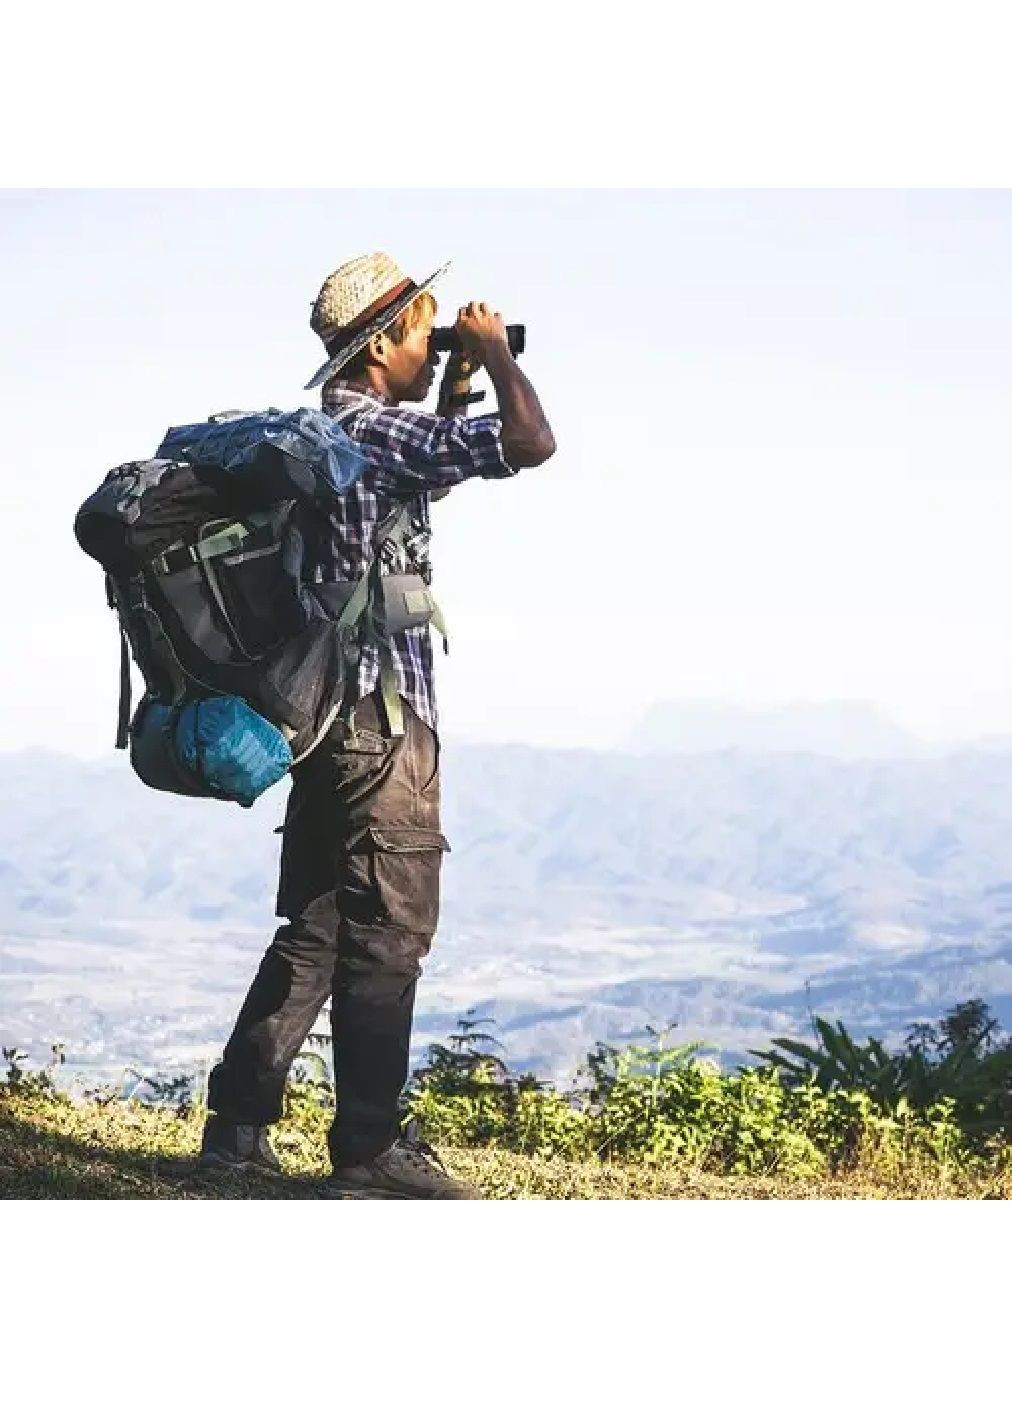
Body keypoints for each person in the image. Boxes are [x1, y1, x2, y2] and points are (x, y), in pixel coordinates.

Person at [198, 253, 556, 1198]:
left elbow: (422, 480)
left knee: (315, 927)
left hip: (318, 720)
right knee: (392, 934)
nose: (431, 339)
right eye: (424, 330)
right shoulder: (379, 433)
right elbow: (531, 443)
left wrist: (453, 374)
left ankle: (236, 1127)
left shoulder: (333, 433)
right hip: (386, 727)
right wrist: (497, 361)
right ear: (382, 344)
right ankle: (368, 1150)